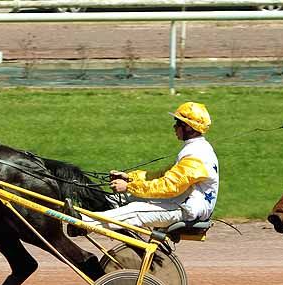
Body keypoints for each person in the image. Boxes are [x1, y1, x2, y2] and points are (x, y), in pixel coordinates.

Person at [65, 101, 219, 236]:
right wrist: (130, 178)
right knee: (125, 199)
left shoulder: (196, 155)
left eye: (178, 123)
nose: (174, 126)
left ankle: (82, 223)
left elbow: (168, 186)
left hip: (187, 211)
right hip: (180, 202)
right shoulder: (194, 148)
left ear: (189, 128)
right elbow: (161, 175)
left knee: (136, 210)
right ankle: (92, 214)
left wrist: (129, 187)